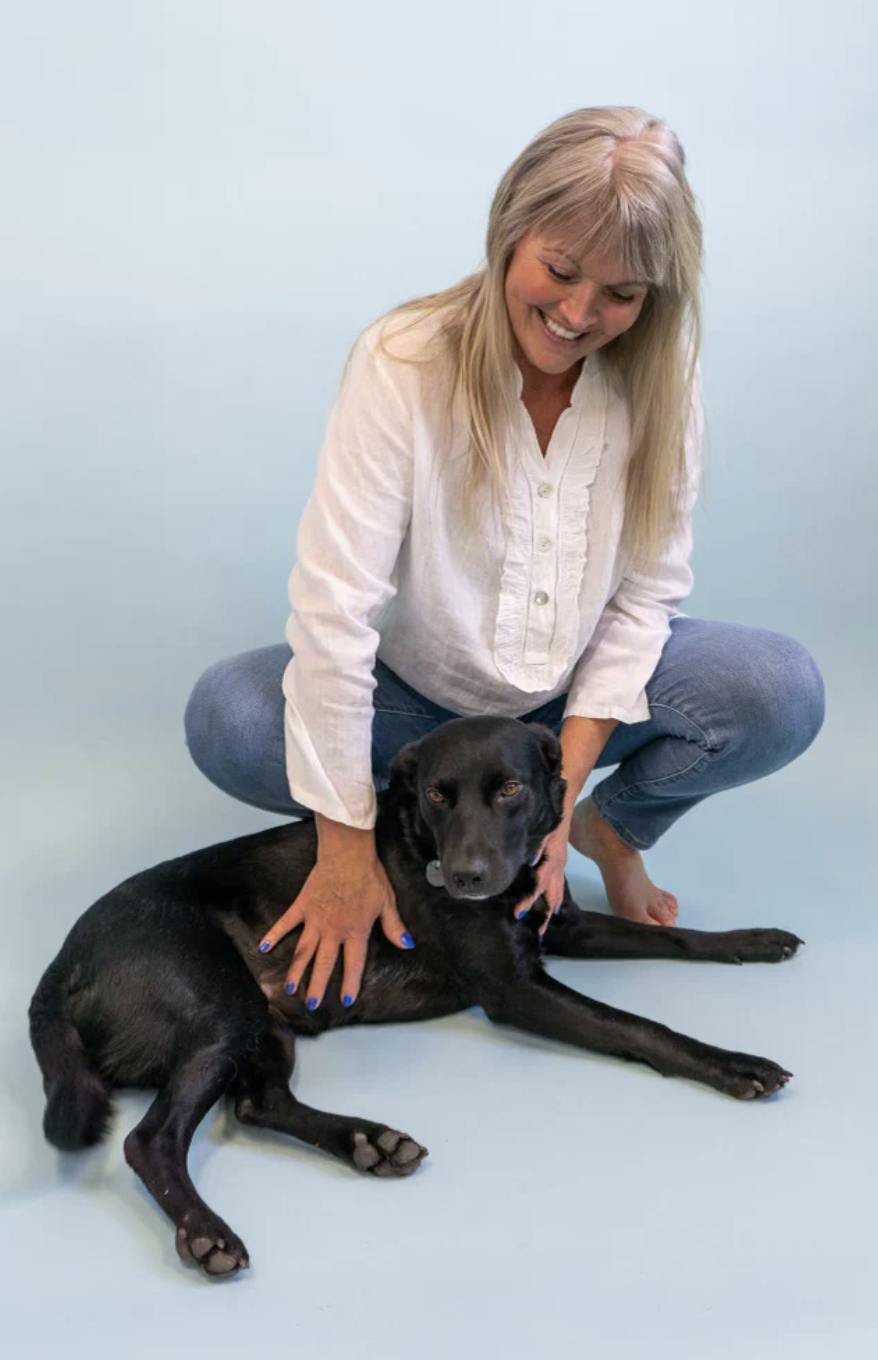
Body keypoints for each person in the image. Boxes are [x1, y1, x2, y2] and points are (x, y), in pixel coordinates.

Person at [184, 105, 825, 1013]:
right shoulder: (402, 360)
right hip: (413, 709)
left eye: (621, 294)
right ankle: (423, 837)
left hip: (562, 711)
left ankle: (612, 830)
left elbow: (645, 603)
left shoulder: (661, 382)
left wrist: (553, 808)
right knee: (232, 715)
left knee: (779, 687)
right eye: (560, 272)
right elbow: (335, 611)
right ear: (508, 232)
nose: (578, 314)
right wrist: (342, 853)